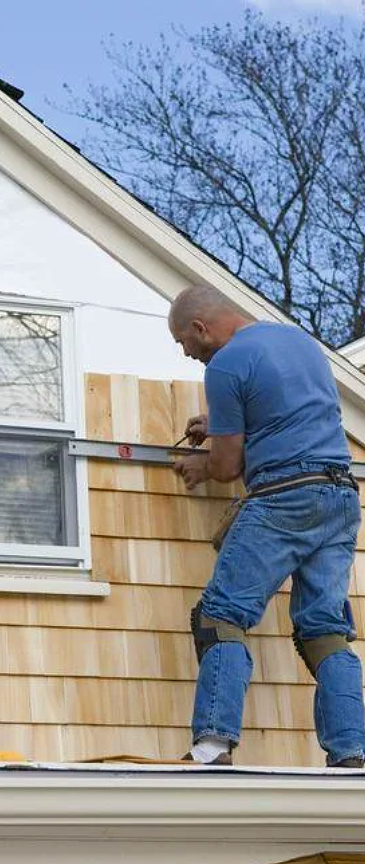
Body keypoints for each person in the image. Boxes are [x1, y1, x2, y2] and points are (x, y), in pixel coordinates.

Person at [169, 284, 365, 767]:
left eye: (183, 343)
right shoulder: (299, 341)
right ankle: (352, 752)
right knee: (323, 629)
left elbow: (227, 465)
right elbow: (281, 403)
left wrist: (203, 464)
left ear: (200, 327)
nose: (187, 354)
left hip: (285, 496)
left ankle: (212, 746)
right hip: (340, 494)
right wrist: (217, 420)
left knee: (220, 616)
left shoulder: (224, 365)